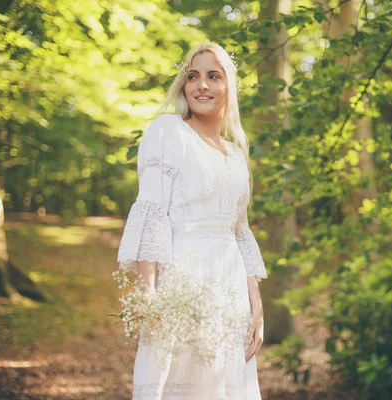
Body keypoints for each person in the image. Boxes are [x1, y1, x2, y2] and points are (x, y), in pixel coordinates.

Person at [117, 42, 267, 399]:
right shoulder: (168, 131)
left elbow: (239, 231)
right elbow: (152, 210)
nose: (202, 85)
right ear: (183, 86)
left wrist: (256, 305)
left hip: (230, 290)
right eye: (193, 76)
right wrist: (148, 293)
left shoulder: (236, 152)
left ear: (228, 85)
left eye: (213, 76)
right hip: (183, 278)